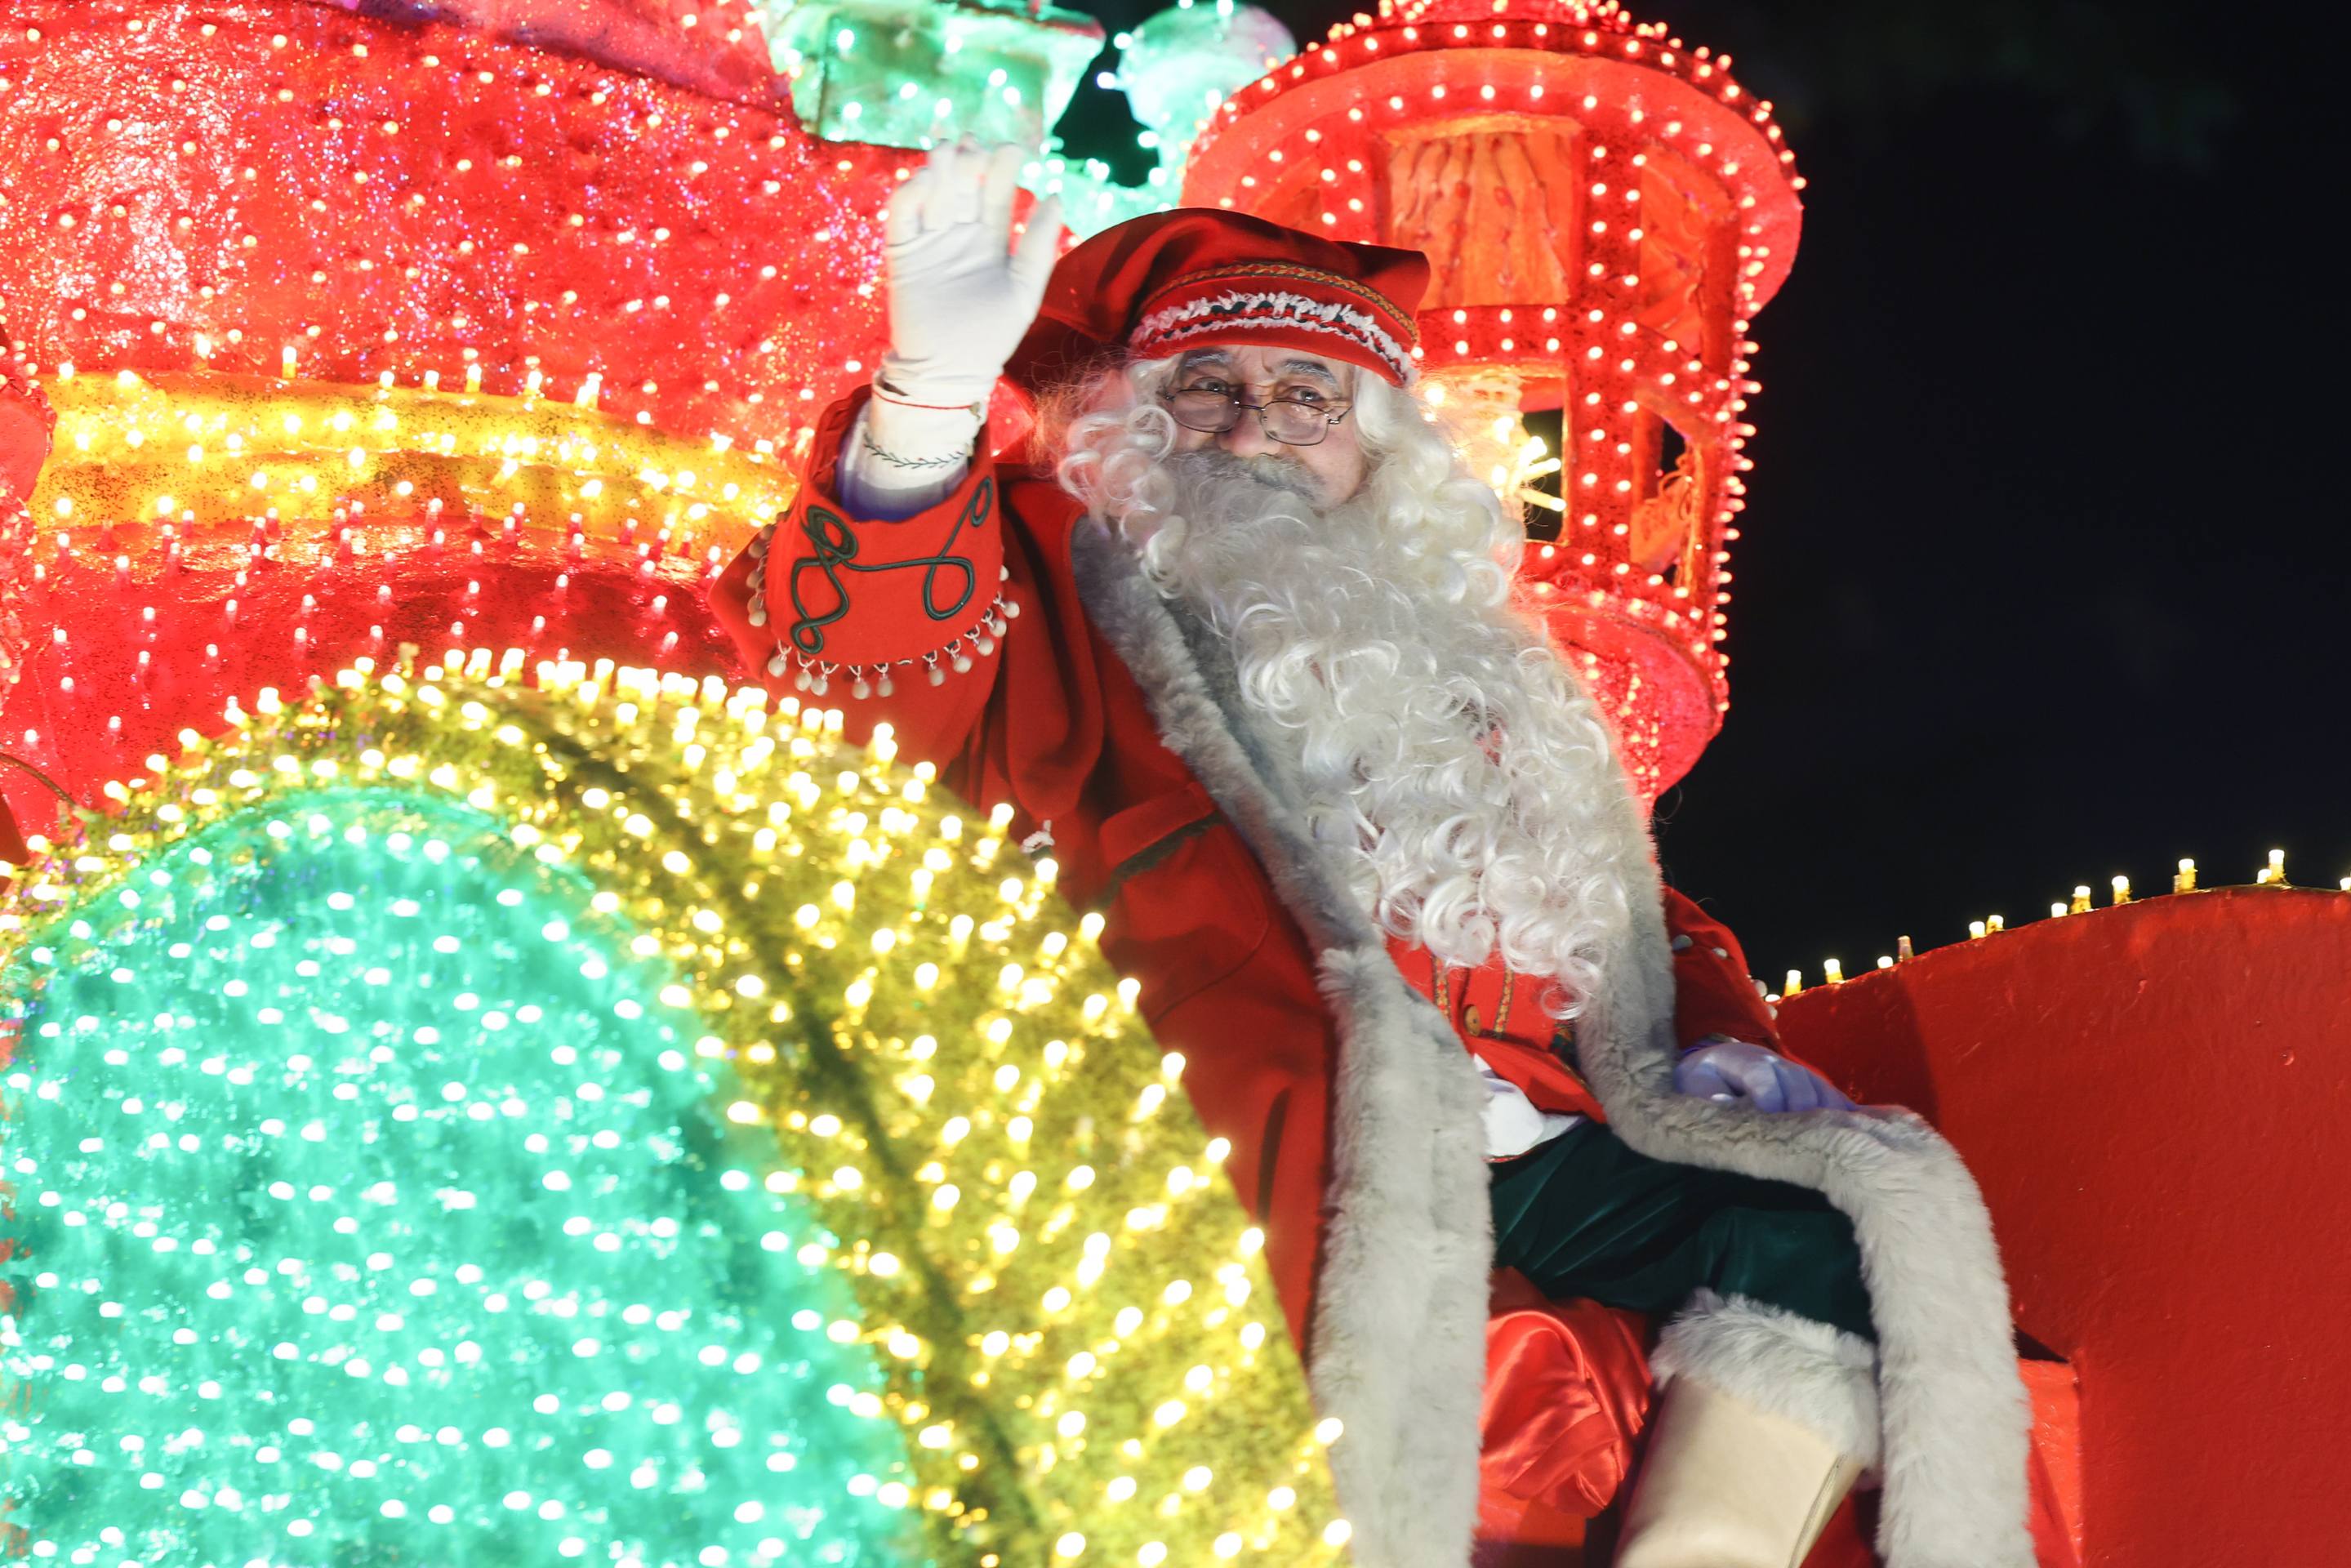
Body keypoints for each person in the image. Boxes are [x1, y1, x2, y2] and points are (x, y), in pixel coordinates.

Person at [710, 143, 2032, 1568]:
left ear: (1377, 442)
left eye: (1305, 397)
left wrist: (1716, 1035)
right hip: (1283, 1115)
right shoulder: (1060, 585)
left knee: (1836, 1240)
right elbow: (863, 653)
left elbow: (1632, 908)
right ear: (1134, 423)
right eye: (1208, 390)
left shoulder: (1470, 653)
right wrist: (927, 398)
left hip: (1543, 1137)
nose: (1258, 430)